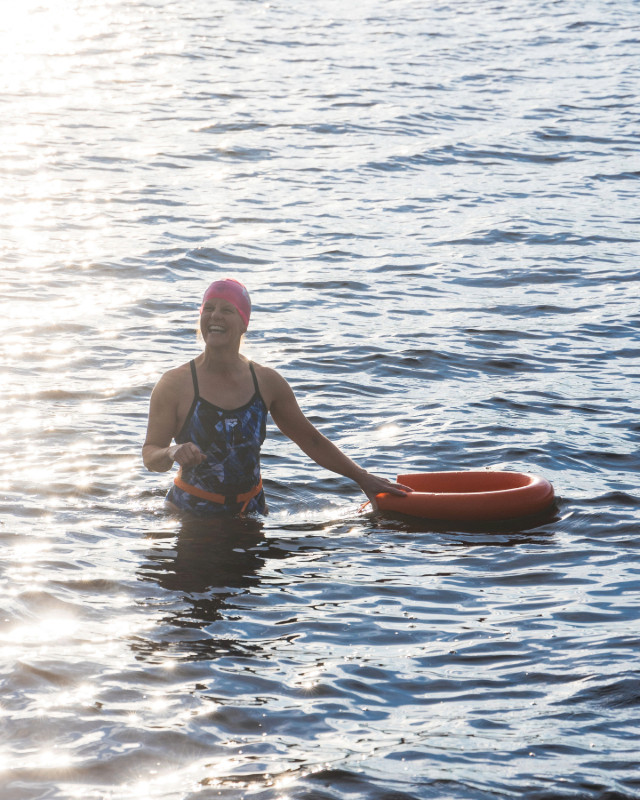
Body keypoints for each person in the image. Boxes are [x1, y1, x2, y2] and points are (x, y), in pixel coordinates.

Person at [142, 278, 410, 517]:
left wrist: (363, 479)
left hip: (252, 513)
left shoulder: (266, 382)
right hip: (190, 515)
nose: (215, 316)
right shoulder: (175, 384)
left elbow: (311, 440)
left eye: (227, 310)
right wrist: (172, 451)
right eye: (209, 308)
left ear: (243, 322)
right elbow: (150, 455)